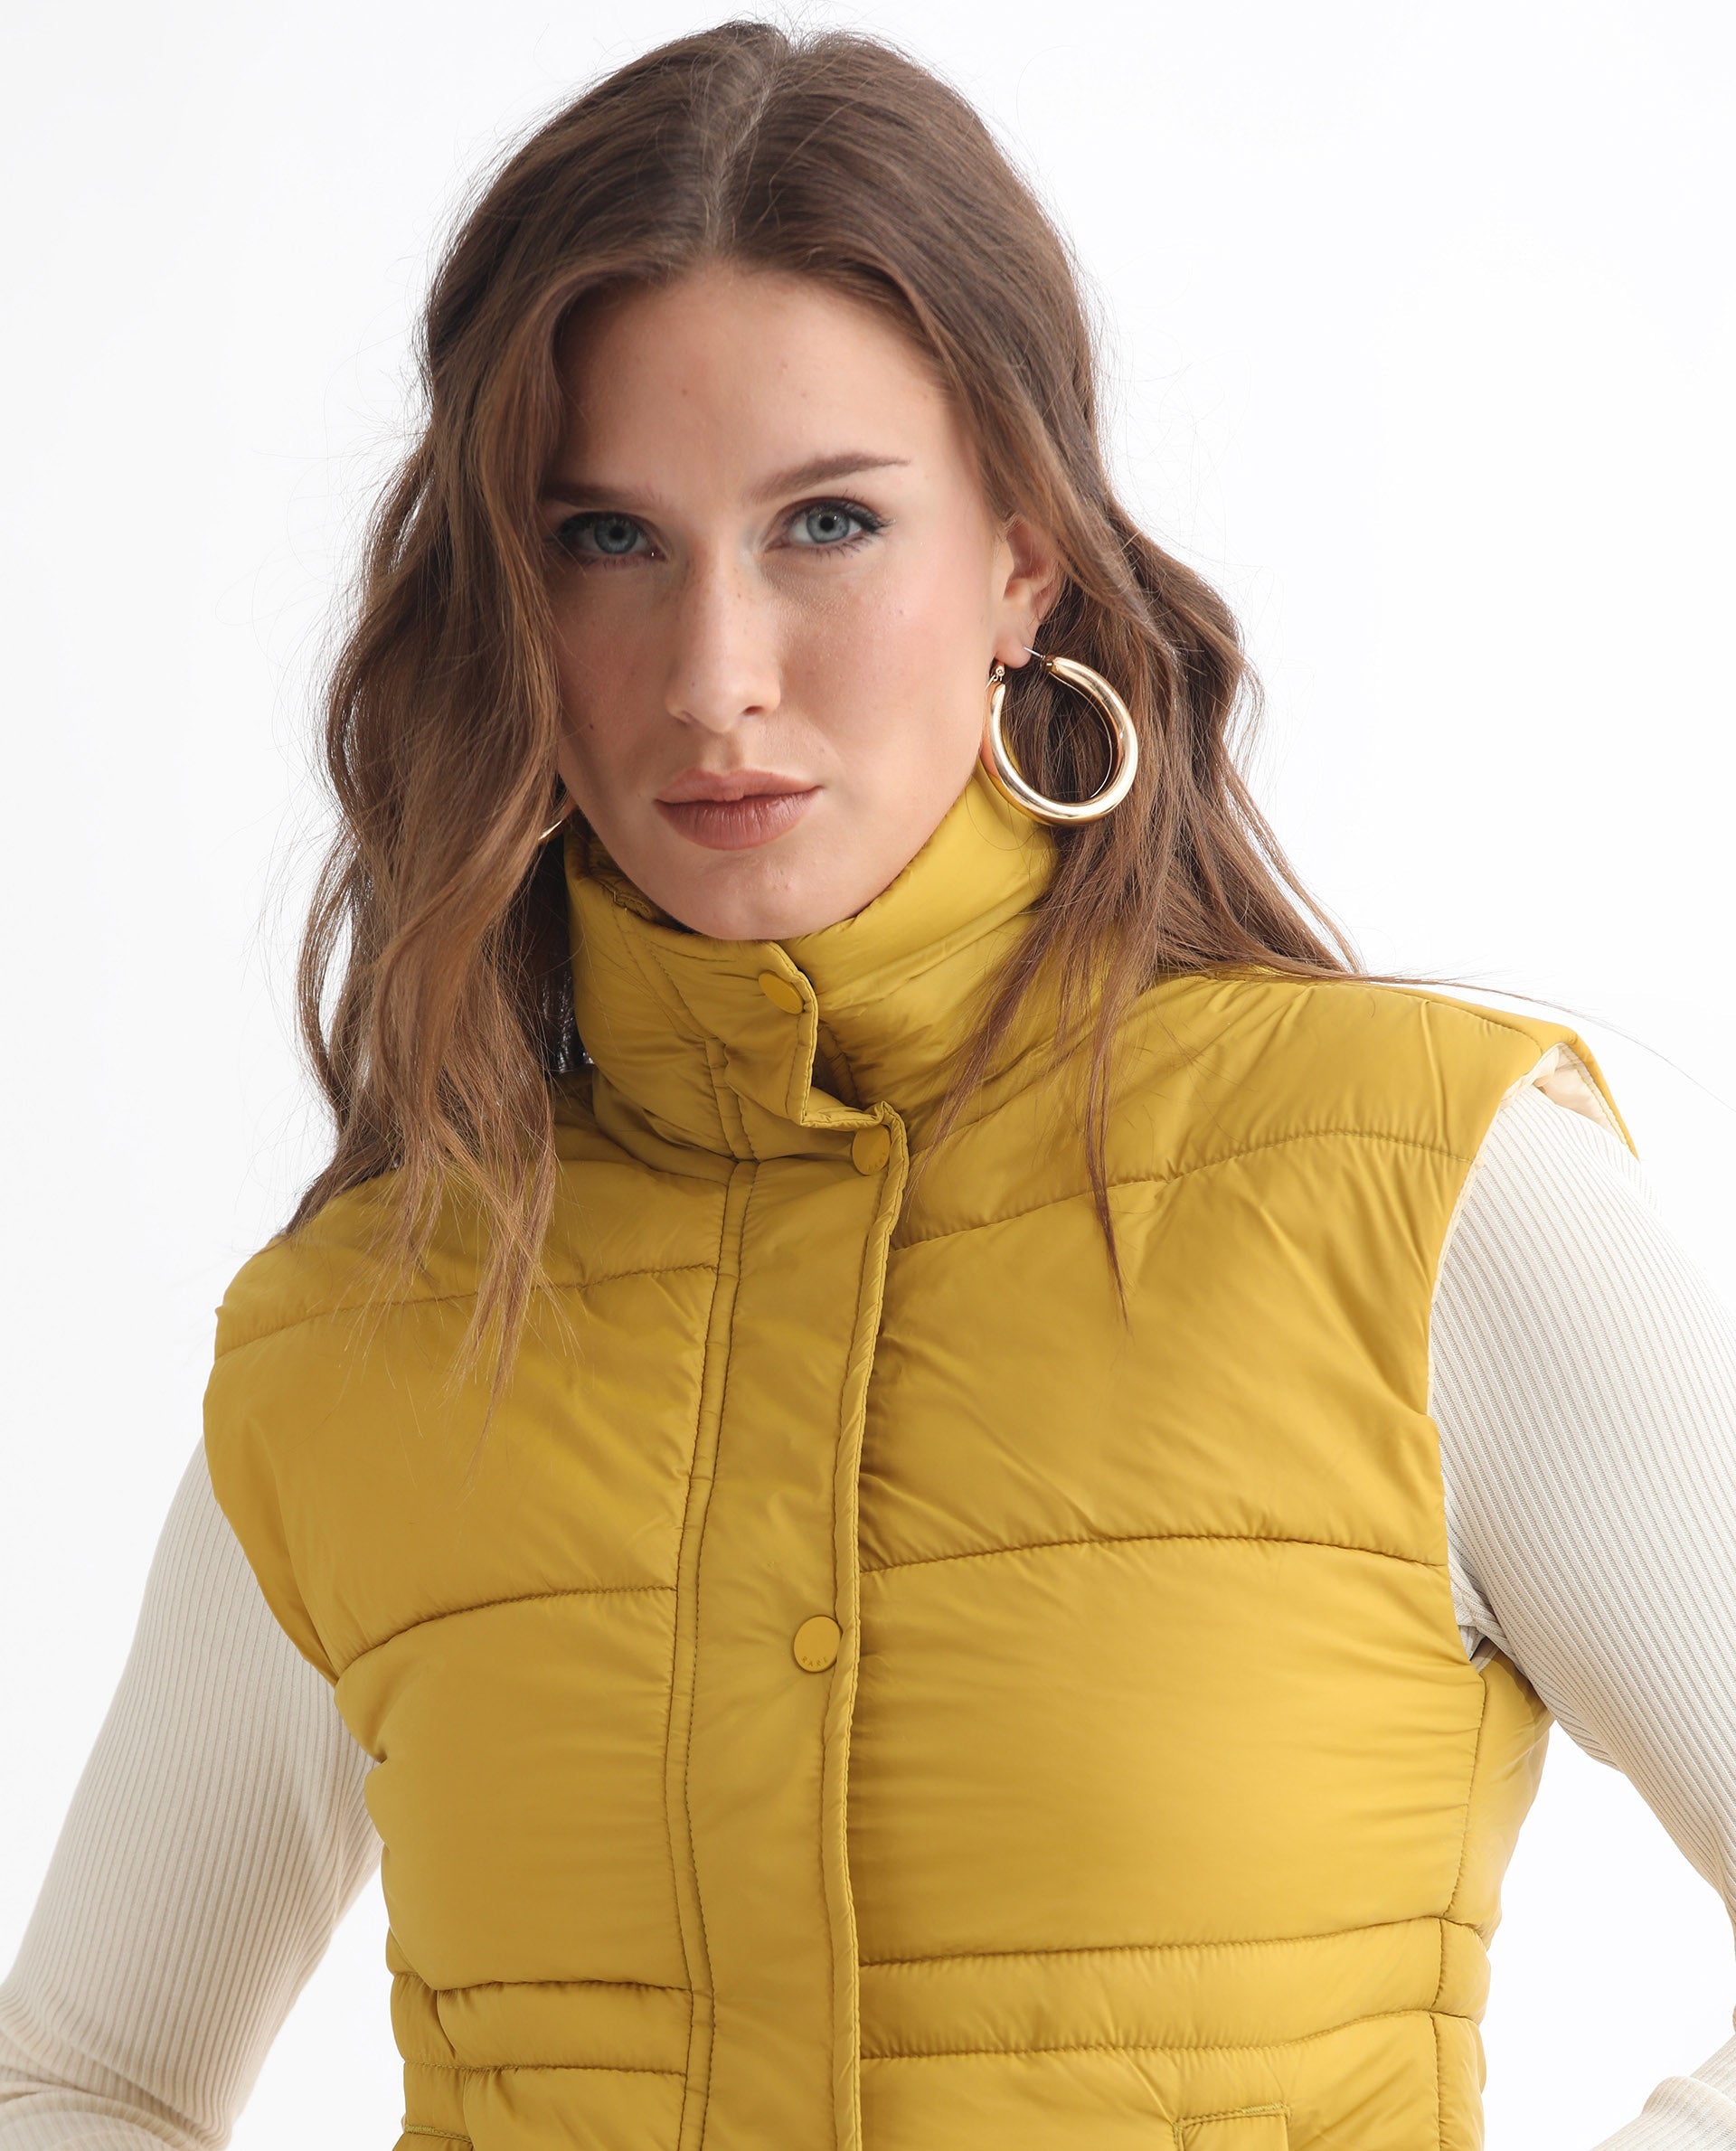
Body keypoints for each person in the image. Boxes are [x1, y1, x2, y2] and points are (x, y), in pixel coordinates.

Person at [4, 18, 1736, 2150]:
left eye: (824, 521)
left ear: (1022, 554)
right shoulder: (376, 1332)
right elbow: (79, 2079)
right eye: (605, 539)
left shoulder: (1422, 1201)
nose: (716, 676)